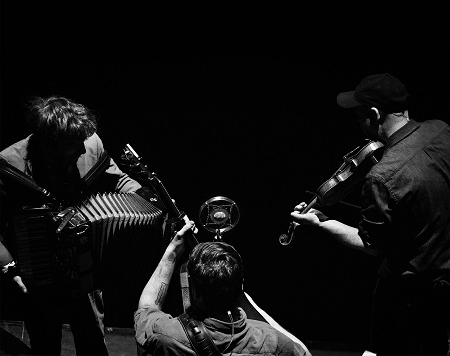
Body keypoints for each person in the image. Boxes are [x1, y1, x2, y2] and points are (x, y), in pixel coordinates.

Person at [290, 73, 450, 356]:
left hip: (411, 293)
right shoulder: (441, 130)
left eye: (358, 115)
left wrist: (321, 222)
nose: (357, 121)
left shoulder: (382, 175)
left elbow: (371, 245)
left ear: (375, 114)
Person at [0, 95, 154, 356]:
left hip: (85, 265)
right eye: (74, 145)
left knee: (93, 341)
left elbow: (116, 179)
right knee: (45, 343)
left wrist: (142, 194)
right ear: (49, 144)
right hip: (38, 271)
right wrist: (8, 267)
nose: (83, 150)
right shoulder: (8, 166)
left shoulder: (90, 143)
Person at [134, 219, 311, 356]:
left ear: (193, 288)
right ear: (240, 285)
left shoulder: (166, 334)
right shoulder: (272, 341)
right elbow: (303, 352)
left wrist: (172, 252)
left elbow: (147, 308)